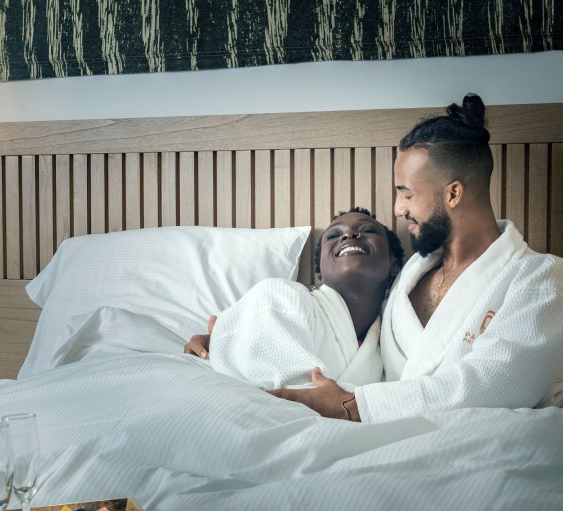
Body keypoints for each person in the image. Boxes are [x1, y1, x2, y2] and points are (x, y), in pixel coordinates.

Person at [188, 93, 563, 423]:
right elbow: (337, 327)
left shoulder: (539, 278)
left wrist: (356, 405)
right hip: (386, 440)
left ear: (452, 194)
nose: (398, 209)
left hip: (479, 442)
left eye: (407, 193)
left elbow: (496, 384)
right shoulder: (404, 282)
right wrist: (230, 335)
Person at [185, 207, 404, 397]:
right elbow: (281, 395)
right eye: (333, 235)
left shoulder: (390, 344)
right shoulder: (279, 296)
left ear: (394, 263)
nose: (349, 234)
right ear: (320, 272)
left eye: (367, 230)